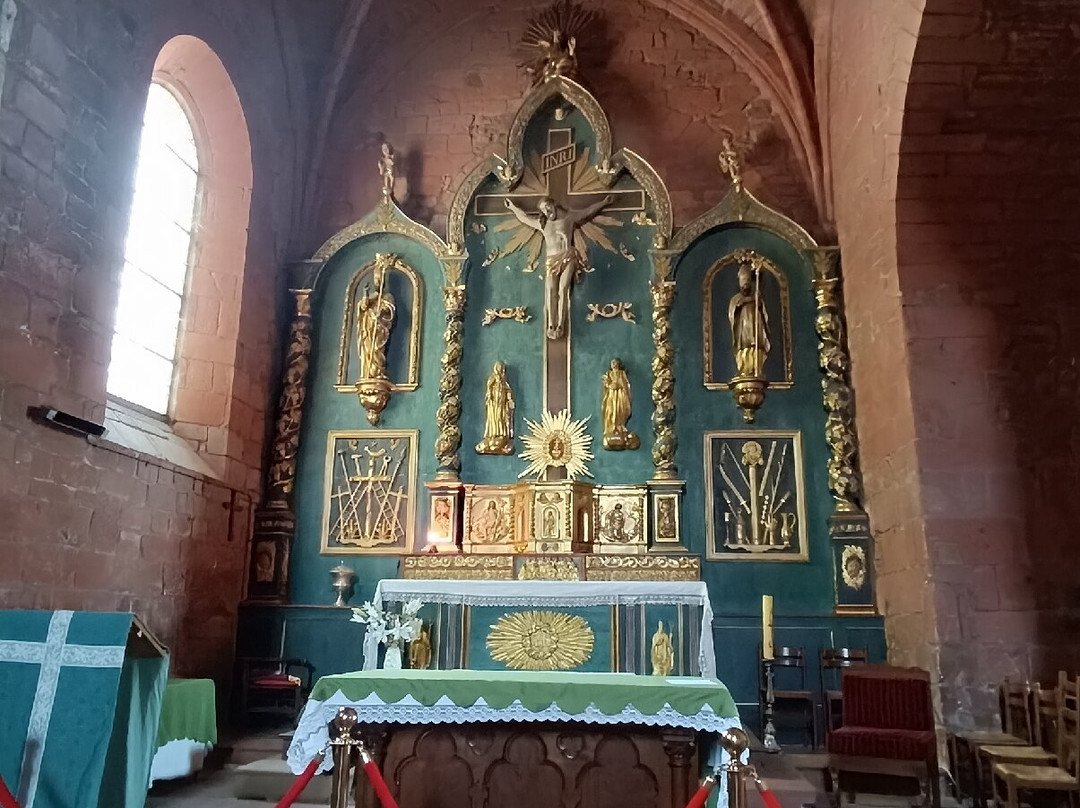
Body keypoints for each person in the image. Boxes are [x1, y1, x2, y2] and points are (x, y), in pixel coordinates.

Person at [505, 194, 612, 339]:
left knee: (563, 288)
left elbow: (587, 211)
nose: (546, 212)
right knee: (550, 290)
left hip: (567, 256)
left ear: (553, 204)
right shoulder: (542, 224)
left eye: (547, 207)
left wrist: (603, 202)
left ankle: (561, 324)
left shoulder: (569, 218)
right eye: (543, 210)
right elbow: (524, 218)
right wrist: (513, 208)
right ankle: (551, 324)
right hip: (551, 260)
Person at [728, 262, 770, 378]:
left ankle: (756, 368)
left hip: (755, 324)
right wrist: (740, 305)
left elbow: (762, 309)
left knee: (755, 344)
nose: (744, 286)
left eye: (747, 282)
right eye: (742, 283)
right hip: (742, 327)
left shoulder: (757, 296)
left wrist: (754, 301)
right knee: (744, 345)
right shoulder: (736, 299)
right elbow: (732, 312)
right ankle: (744, 369)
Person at [356, 259, 396, 380]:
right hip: (368, 330)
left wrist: (381, 311)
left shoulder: (387, 297)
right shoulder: (373, 297)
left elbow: (390, 309)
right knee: (368, 351)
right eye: (376, 280)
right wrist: (365, 294)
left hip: (379, 329)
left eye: (379, 280)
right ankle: (367, 375)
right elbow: (362, 306)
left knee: (376, 350)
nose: (377, 282)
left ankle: (378, 372)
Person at [601, 358, 640, 450]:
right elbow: (606, 385)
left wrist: (619, 386)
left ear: (619, 364)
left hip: (620, 396)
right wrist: (609, 385)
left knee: (620, 411)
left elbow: (625, 386)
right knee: (611, 411)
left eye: (615, 363)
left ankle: (619, 427)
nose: (614, 364)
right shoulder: (609, 374)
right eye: (612, 363)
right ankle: (611, 428)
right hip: (611, 397)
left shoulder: (622, 374)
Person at [476, 361, 514, 454]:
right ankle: (492, 435)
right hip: (494, 405)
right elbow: (489, 387)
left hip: (502, 405)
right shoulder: (492, 378)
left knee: (501, 419)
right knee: (494, 419)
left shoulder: (504, 381)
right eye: (498, 367)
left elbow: (508, 390)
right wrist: (489, 395)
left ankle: (501, 434)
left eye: (501, 367)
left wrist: (509, 400)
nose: (500, 369)